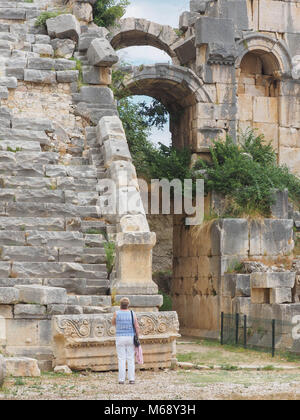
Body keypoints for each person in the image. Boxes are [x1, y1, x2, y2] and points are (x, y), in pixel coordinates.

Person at [112, 297, 140, 385]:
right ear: (128, 305)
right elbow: (137, 326)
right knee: (130, 358)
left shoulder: (116, 313)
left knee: (121, 359)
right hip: (130, 337)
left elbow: (113, 323)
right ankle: (131, 379)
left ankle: (121, 379)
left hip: (120, 337)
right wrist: (137, 337)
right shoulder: (132, 313)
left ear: (120, 304)